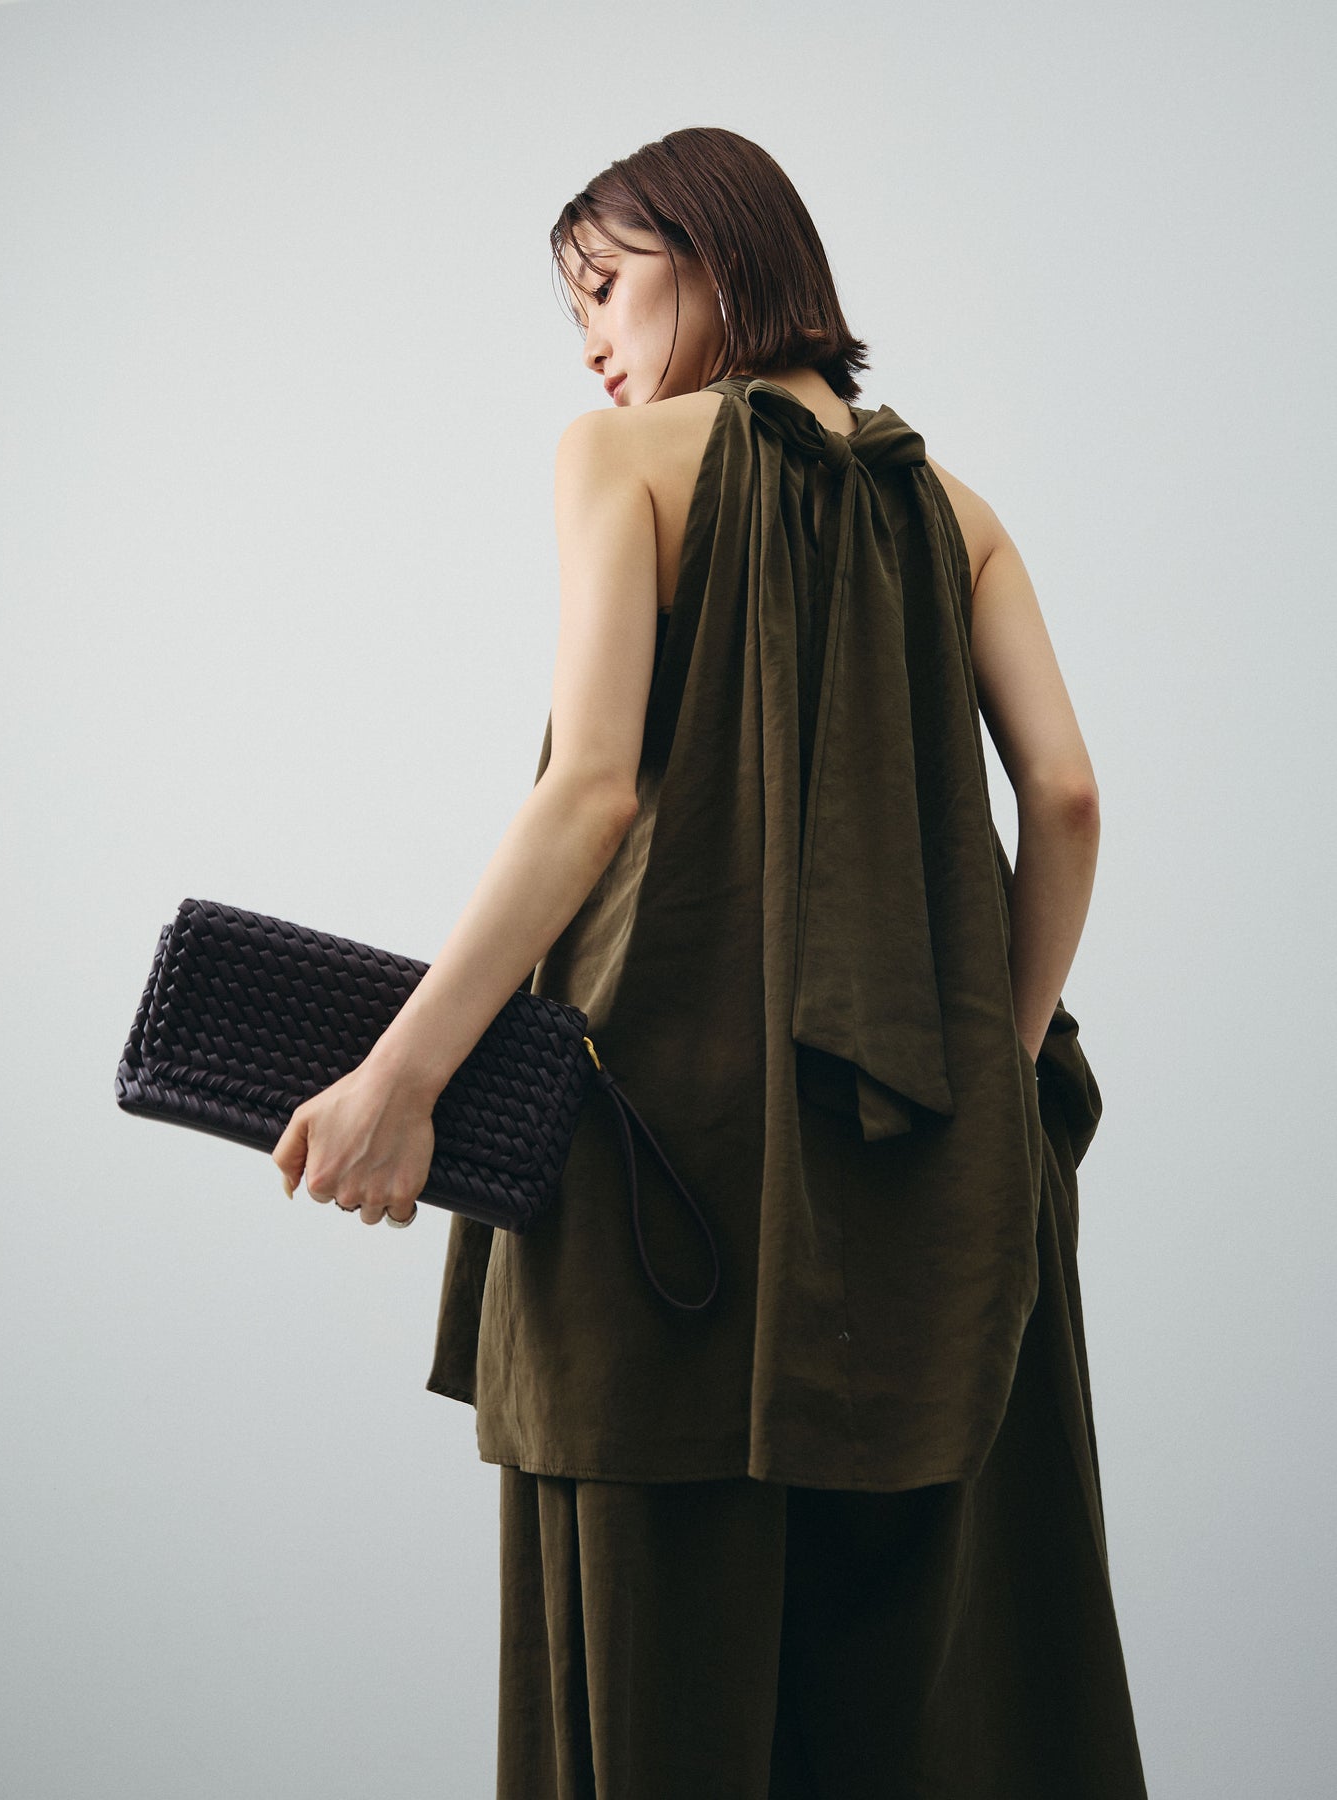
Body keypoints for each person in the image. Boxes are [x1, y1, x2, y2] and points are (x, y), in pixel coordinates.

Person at [273, 127, 1148, 1798]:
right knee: (916, 1687)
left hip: (654, 1156)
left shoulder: (621, 461)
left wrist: (401, 1076)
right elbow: (1067, 799)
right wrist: (996, 1067)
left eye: (604, 289)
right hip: (922, 1183)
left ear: (721, 258)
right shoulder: (955, 511)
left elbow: (587, 793)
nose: (589, 345)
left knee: (654, 1668)